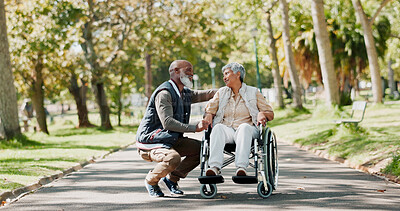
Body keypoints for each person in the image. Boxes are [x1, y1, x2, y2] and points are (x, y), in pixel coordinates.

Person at [136, 60, 216, 197]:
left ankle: (172, 179)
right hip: (152, 140)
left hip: (170, 139)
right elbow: (167, 123)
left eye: (192, 70)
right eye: (188, 70)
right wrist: (194, 127)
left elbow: (208, 93)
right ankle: (151, 181)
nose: (192, 73)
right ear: (176, 71)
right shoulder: (164, 93)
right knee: (173, 158)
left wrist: (228, 89)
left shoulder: (184, 93)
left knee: (202, 149)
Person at [203, 62, 274, 177]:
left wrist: (262, 113)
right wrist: (209, 115)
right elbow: (210, 108)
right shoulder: (221, 92)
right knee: (218, 128)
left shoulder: (253, 92)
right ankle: (214, 167)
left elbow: (270, 114)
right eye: (223, 75)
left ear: (238, 74)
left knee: (244, 127)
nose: (224, 77)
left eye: (227, 73)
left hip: (248, 130)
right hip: (228, 131)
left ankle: (241, 167)